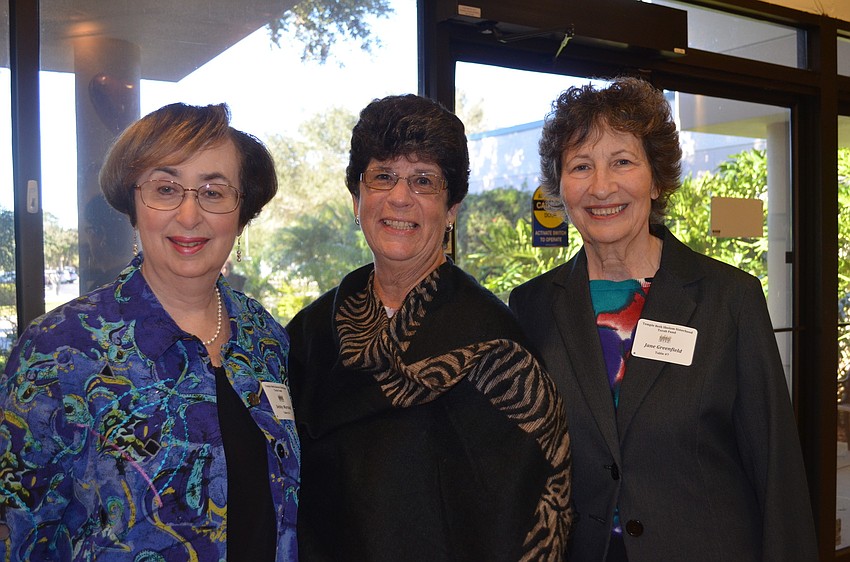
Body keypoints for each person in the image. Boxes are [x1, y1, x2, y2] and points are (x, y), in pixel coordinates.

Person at [509, 77, 818, 562]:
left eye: (623, 162)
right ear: (560, 188)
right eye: (581, 166)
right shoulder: (531, 308)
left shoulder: (729, 299)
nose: (601, 186)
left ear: (656, 180)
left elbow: (776, 469)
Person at [0, 103, 299, 561]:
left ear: (241, 215)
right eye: (165, 188)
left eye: (213, 192)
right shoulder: (59, 348)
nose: (189, 214)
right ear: (133, 206)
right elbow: (16, 533)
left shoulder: (265, 339)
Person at [286, 94, 572, 561]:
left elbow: (535, 511)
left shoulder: (495, 348)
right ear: (356, 198)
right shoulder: (310, 338)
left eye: (424, 181)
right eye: (382, 176)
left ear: (452, 208)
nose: (400, 197)